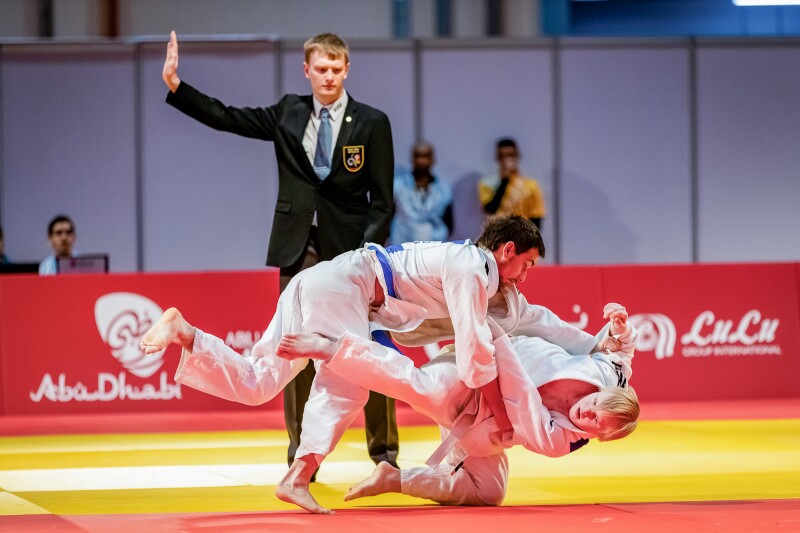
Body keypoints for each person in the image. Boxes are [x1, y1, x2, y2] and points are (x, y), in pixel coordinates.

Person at [140, 214, 544, 514]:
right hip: (345, 285)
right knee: (349, 384)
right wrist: (494, 399)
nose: (525, 276)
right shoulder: (472, 266)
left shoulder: (463, 262)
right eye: (526, 264)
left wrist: (596, 343)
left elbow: (502, 330)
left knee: (258, 383)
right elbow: (474, 344)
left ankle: (187, 334)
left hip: (322, 282)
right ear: (506, 250)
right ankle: (297, 475)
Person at [161, 31, 397, 478]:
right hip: (297, 246)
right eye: (320, 69)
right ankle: (300, 458)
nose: (328, 76)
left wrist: (368, 254)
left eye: (336, 69)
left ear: (347, 69)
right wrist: (176, 85)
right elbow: (228, 117)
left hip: (351, 253)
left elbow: (383, 201)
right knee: (293, 350)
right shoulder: (288, 112)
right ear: (306, 70)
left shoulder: (372, 122)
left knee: (369, 348)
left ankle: (383, 455)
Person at [276, 303, 638, 507]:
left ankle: (396, 478)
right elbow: (622, 351)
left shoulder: (561, 442)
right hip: (466, 374)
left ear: (598, 438)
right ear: (604, 390)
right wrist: (620, 329)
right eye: (594, 406)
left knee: (489, 493)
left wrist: (497, 340)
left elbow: (519, 395)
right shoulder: (610, 371)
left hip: (483, 418)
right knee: (413, 385)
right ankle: (333, 348)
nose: (586, 415)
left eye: (593, 424)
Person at [389, 141, 453, 246]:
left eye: (426, 156)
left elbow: (449, 222)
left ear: (433, 159)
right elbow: (389, 216)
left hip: (434, 247)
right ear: (412, 158)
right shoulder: (398, 186)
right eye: (418, 156)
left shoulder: (444, 190)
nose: (422, 161)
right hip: (402, 247)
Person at [478, 138, 546, 230]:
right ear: (497, 158)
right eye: (503, 156)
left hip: (522, 234)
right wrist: (504, 181)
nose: (507, 159)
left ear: (517, 156)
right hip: (497, 234)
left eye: (511, 155)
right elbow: (490, 209)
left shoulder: (530, 185)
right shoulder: (487, 183)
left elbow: (536, 215)